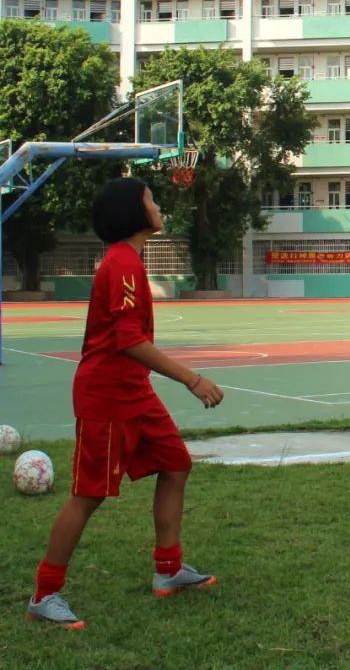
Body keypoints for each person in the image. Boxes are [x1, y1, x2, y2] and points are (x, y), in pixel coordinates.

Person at [27, 178, 224, 630]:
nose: (157, 206)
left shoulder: (129, 261)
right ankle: (45, 592)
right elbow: (127, 340)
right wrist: (192, 379)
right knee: (88, 494)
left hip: (134, 391)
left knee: (176, 464)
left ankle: (168, 569)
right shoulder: (121, 265)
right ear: (133, 213)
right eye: (151, 199)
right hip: (107, 396)